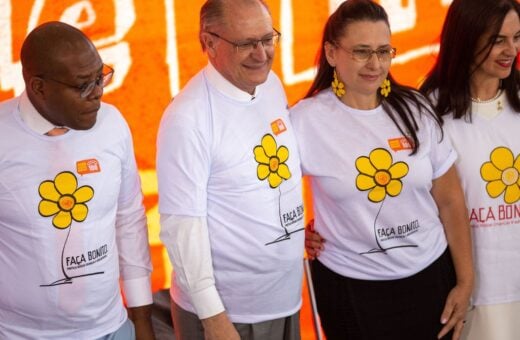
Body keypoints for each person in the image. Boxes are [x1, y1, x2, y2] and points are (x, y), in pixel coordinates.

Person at [290, 0, 474, 339]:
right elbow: (269, 197)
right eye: (361, 52)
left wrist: (465, 283)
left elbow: (450, 200)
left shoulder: (416, 108)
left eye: (383, 51)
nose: (375, 64)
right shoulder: (304, 120)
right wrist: (295, 233)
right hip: (350, 291)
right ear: (331, 53)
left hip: (430, 281)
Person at [156, 0, 304, 339]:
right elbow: (181, 227)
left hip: (285, 298)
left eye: (268, 39)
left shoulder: (271, 84)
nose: (261, 53)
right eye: (245, 43)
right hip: (230, 315)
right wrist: (214, 318)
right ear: (208, 43)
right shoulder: (188, 118)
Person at [0, 22, 154, 339]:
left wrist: (141, 320)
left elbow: (129, 220)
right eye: (83, 85)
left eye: (101, 77)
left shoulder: (113, 124)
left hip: (114, 329)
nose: (97, 92)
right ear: (38, 87)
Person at [420, 0, 520, 339]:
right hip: (464, 294)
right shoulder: (427, 110)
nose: (511, 50)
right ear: (466, 38)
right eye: (498, 40)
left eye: (517, 38)